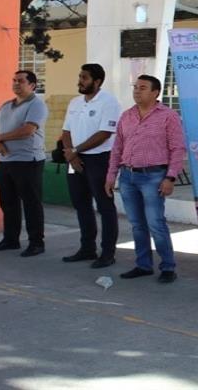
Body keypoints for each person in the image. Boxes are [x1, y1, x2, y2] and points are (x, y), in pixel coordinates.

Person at [105, 75, 186, 283]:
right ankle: (143, 265)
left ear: (155, 92)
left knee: (156, 223)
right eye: (135, 87)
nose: (137, 91)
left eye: (142, 88)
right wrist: (111, 175)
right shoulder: (127, 116)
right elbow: (117, 148)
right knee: (136, 224)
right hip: (128, 176)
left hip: (154, 176)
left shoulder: (168, 116)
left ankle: (168, 267)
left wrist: (170, 177)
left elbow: (177, 149)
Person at [61, 63, 121, 268]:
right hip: (75, 160)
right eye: (80, 76)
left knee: (105, 206)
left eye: (84, 78)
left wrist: (76, 150)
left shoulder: (109, 102)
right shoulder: (75, 102)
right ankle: (87, 248)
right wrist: (71, 154)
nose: (80, 81)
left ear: (97, 81)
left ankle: (107, 253)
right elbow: (66, 131)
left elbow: (105, 133)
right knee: (81, 205)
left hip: (99, 159)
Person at [0, 70, 49, 257]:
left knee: (31, 204)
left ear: (32, 85)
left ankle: (36, 243)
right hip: (5, 161)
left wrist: (0, 138)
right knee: (8, 203)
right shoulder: (6, 105)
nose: (15, 84)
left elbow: (28, 130)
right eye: (14, 80)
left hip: (28, 161)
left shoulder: (37, 105)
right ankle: (10, 239)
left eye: (20, 81)